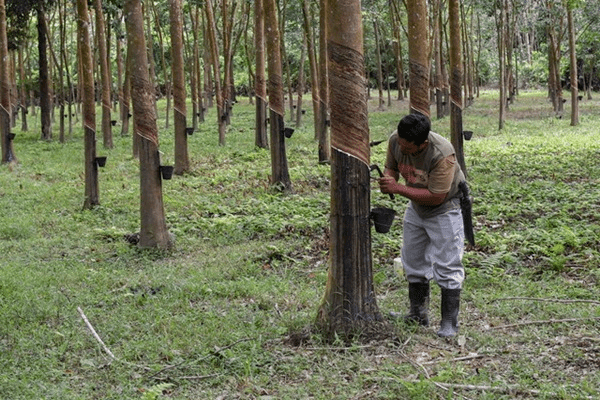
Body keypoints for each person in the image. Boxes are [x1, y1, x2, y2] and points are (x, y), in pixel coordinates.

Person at [378, 113, 466, 337]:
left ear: (423, 143)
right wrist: (389, 179)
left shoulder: (442, 154)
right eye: (401, 144)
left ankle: (449, 323)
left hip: (445, 208)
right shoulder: (395, 140)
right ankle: (418, 314)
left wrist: (398, 189)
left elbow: (437, 196)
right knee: (413, 259)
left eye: (409, 148)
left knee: (447, 264)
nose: (403, 149)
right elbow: (392, 167)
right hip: (416, 207)